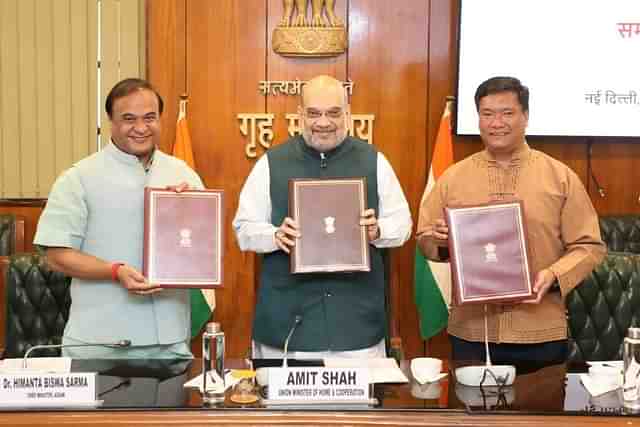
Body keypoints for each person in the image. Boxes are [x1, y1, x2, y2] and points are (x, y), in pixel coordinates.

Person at [416, 76, 606, 366]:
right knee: (470, 410)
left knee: (540, 409)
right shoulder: (453, 179)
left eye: (507, 113)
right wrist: (442, 242)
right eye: (487, 114)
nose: (496, 123)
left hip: (539, 331)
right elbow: (425, 241)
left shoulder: (560, 177)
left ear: (525, 117)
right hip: (472, 334)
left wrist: (553, 275)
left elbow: (589, 246)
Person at [233, 75, 412, 359]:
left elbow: (402, 224)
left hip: (356, 328)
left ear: (348, 114)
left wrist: (377, 231)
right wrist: (275, 236)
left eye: (333, 113)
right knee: (285, 406)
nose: (323, 122)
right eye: (314, 113)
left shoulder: (374, 160)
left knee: (356, 405)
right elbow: (244, 228)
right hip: (288, 329)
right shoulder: (271, 162)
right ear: (300, 115)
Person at [34, 78, 204, 359]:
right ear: (111, 121)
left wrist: (189, 211)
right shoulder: (79, 178)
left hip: (170, 344)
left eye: (150, 118)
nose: (140, 128)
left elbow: (202, 249)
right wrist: (115, 271)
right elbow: (56, 255)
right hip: (98, 344)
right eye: (129, 119)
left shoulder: (183, 175)